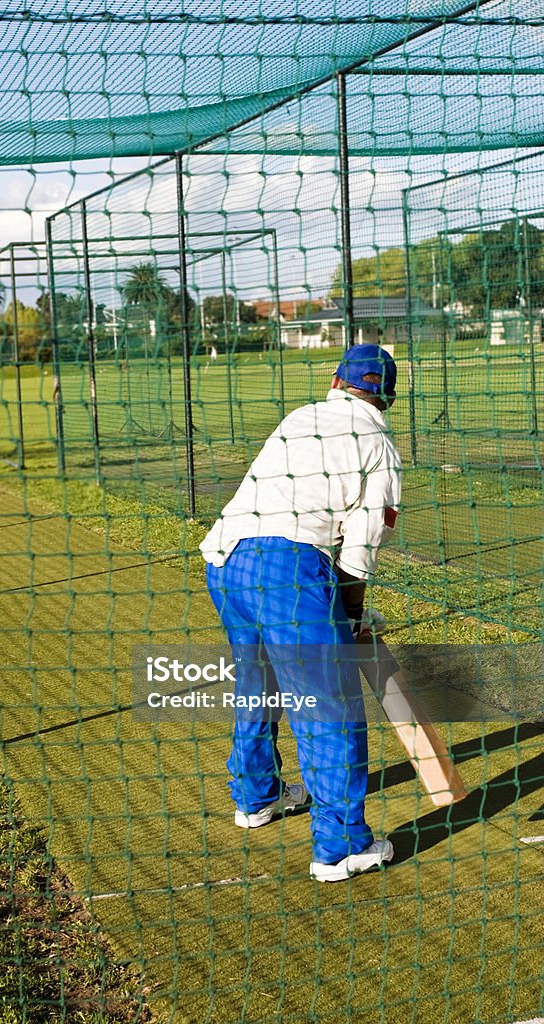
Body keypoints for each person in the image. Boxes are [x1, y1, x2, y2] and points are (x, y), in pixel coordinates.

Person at [200, 344, 401, 882]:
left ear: (336, 381)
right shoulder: (378, 441)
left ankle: (256, 798)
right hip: (286, 570)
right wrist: (352, 612)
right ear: (386, 397)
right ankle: (340, 849)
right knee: (329, 706)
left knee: (258, 681)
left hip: (225, 559)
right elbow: (362, 541)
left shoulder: (301, 416)